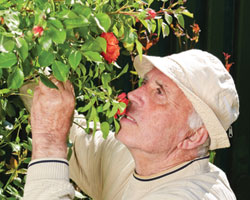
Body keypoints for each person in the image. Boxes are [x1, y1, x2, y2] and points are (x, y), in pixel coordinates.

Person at [22, 49, 239, 200]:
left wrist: (49, 142)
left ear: (193, 136)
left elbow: (55, 134)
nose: (134, 94)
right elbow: (72, 133)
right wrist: (20, 53)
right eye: (145, 83)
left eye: (159, 92)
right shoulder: (136, 159)